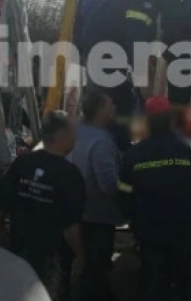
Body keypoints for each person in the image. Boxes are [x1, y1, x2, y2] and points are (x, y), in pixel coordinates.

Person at [118, 96, 191, 301]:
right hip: (184, 231)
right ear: (172, 119)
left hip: (149, 233)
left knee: (154, 285)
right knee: (187, 285)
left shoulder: (133, 156)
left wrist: (131, 219)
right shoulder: (190, 151)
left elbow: (123, 195)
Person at [81, 0, 186, 144]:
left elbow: (144, 35)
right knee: (116, 104)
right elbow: (136, 37)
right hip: (104, 52)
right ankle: (112, 149)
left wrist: (148, 61)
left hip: (110, 51)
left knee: (120, 102)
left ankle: (111, 146)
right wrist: (142, 78)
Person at [0, 111, 86, 301]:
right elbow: (70, 227)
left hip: (19, 250)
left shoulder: (22, 163)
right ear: (62, 136)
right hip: (52, 258)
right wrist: (80, 255)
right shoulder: (70, 175)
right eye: (74, 134)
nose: (76, 139)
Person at [66, 92, 123, 301]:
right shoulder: (101, 141)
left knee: (82, 264)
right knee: (96, 267)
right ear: (101, 110)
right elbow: (108, 184)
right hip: (97, 216)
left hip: (75, 212)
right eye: (110, 104)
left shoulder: (74, 132)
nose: (114, 107)